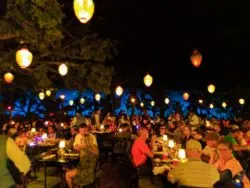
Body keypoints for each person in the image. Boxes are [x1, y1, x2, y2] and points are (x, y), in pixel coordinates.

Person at [66, 123, 99, 188]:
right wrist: (76, 147)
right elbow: (75, 146)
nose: (82, 133)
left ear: (87, 129)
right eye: (81, 131)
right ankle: (76, 184)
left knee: (67, 174)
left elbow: (96, 152)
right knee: (67, 168)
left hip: (87, 171)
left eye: (84, 131)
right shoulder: (78, 136)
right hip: (83, 164)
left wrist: (85, 147)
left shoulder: (92, 138)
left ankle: (76, 184)